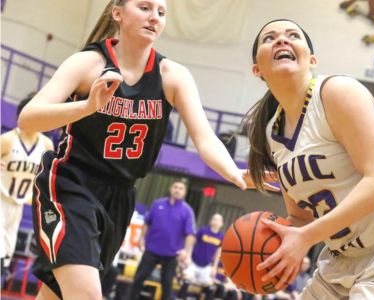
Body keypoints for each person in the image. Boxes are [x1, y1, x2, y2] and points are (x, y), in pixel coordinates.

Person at [17, 1, 273, 298]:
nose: (154, 17)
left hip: (121, 196)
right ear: (118, 13)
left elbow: (204, 138)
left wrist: (235, 173)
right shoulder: (89, 63)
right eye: (145, 7)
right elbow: (29, 117)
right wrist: (88, 106)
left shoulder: (172, 75)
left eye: (161, 12)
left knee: (56, 295)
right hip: (70, 184)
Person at [244, 19, 374, 299]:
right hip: (342, 262)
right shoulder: (272, 135)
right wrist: (266, 251)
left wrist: (305, 238)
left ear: (312, 59)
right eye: (269, 38)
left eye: (293, 35)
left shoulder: (336, 92)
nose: (282, 40)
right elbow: (300, 217)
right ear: (257, 69)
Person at [1, 94, 54, 279]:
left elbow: (47, 179)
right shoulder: (7, 140)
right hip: (1, 201)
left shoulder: (46, 145)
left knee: (5, 261)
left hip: (17, 208)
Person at [129, 179, 195, 300]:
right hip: (151, 250)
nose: (177, 190)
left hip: (172, 254)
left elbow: (190, 234)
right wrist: (141, 238)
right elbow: (147, 222)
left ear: (184, 192)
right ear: (171, 189)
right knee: (139, 278)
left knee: (167, 284)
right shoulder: (157, 204)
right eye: (175, 187)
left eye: (181, 188)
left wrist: (187, 252)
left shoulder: (187, 211)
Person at [177, 213, 225, 300]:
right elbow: (191, 244)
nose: (216, 222)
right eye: (214, 219)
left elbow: (218, 254)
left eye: (219, 220)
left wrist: (214, 267)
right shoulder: (202, 231)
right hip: (194, 263)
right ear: (211, 221)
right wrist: (188, 257)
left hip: (206, 266)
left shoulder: (221, 237)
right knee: (186, 282)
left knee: (211, 288)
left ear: (222, 224)